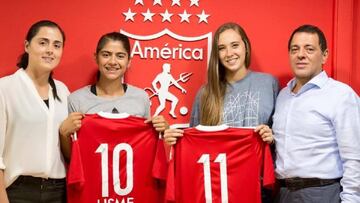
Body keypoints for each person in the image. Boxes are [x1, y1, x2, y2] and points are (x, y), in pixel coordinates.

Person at [164, 22, 279, 202]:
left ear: (246, 47)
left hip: (257, 187)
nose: (229, 53)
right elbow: (194, 145)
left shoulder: (268, 83)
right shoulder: (206, 93)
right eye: (222, 48)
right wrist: (176, 140)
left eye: (235, 45)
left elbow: (281, 136)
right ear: (217, 54)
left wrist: (271, 138)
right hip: (219, 189)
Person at [273, 24, 360, 203]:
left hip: (323, 193)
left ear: (324, 55)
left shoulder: (341, 95)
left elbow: (355, 157)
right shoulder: (283, 95)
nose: (300, 55)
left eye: (309, 49)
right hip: (284, 194)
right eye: (294, 49)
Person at [59, 32, 168, 160]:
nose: (112, 62)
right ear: (96, 57)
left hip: (129, 177)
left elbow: (146, 148)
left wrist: (162, 131)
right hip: (92, 177)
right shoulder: (76, 99)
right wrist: (64, 134)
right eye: (106, 55)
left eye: (120, 56)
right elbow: (71, 158)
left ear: (129, 61)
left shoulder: (141, 97)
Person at [0, 20, 71, 203]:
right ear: (27, 46)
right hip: (18, 191)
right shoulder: (5, 88)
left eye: (57, 45)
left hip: (58, 191)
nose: (50, 50)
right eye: (42, 42)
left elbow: (69, 149)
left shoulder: (63, 91)